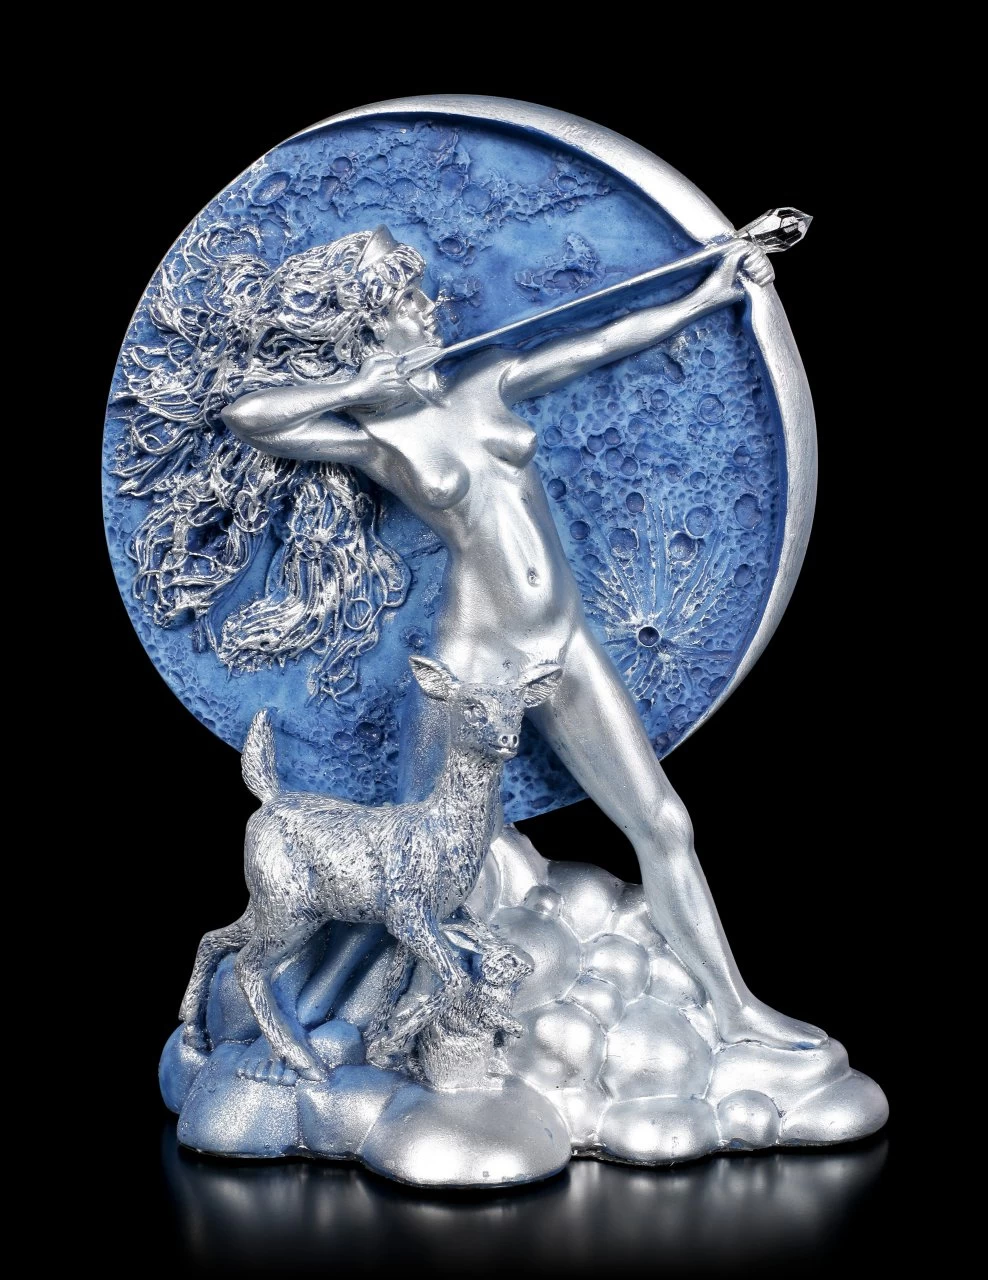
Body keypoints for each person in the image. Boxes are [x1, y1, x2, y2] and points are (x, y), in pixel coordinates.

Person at [217, 224, 825, 1051]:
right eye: (406, 300)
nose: (429, 308)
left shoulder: (484, 382)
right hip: (475, 664)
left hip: (562, 641)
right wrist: (359, 385)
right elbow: (250, 417)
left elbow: (601, 341)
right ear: (369, 324)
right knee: (435, 868)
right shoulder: (376, 438)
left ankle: (734, 1007)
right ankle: (410, 1033)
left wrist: (714, 291)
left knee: (663, 820)